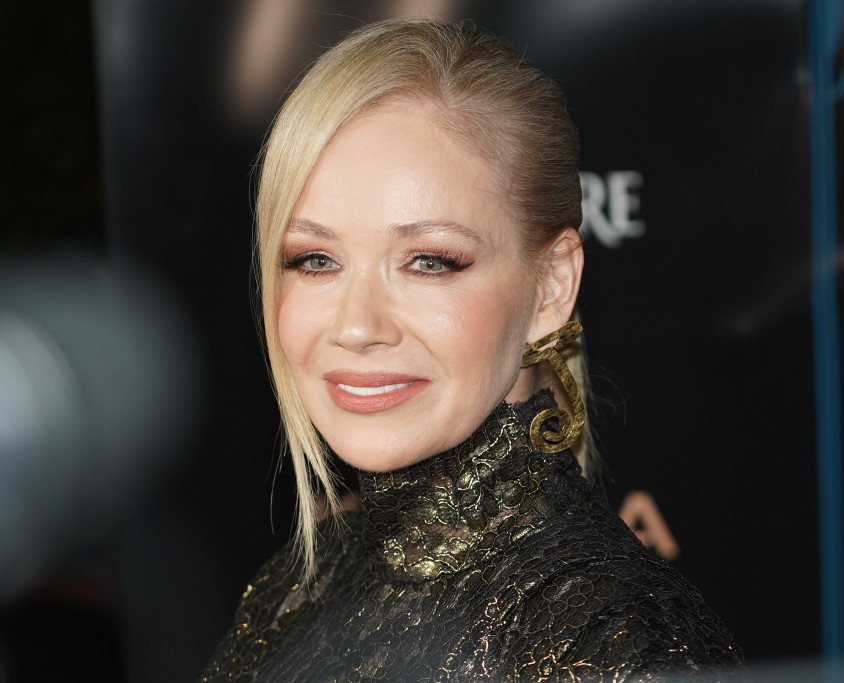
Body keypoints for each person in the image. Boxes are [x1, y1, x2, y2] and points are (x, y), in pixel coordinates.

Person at [201, 19, 742, 681]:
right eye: (316, 259)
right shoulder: (297, 584)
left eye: (429, 261)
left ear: (551, 286)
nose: (357, 326)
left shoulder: (618, 641)